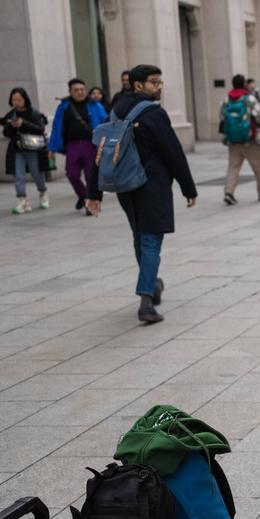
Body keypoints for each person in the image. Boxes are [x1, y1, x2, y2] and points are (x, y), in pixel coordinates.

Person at [85, 64, 197, 324]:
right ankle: (146, 301)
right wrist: (188, 187)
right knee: (150, 241)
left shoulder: (116, 110)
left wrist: (94, 192)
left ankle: (153, 282)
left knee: (140, 236)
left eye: (160, 82)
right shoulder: (154, 114)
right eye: (153, 82)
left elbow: (100, 151)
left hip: (125, 185)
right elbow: (173, 152)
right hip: (152, 185)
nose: (159, 87)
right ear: (138, 85)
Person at [48, 78, 106, 212]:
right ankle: (83, 195)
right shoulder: (64, 106)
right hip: (72, 145)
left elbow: (105, 122)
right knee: (71, 174)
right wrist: (51, 147)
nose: (80, 92)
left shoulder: (95, 105)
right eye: (76, 90)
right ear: (70, 91)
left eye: (82, 90)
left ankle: (89, 204)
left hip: (90, 145)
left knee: (90, 175)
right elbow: (56, 127)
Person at [220, 73, 260, 205]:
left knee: (233, 167)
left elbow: (222, 117)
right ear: (244, 84)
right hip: (250, 139)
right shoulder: (249, 98)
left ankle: (229, 192)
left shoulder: (226, 99)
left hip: (233, 140)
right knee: (258, 167)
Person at [4, 88, 50, 214]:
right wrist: (11, 126)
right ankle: (22, 200)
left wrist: (23, 123)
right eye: (14, 100)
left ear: (25, 100)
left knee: (36, 173)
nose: (16, 102)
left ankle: (43, 192)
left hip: (33, 148)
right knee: (18, 175)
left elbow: (40, 129)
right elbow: (6, 133)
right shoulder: (11, 114)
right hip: (17, 149)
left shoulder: (33, 113)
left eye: (19, 100)